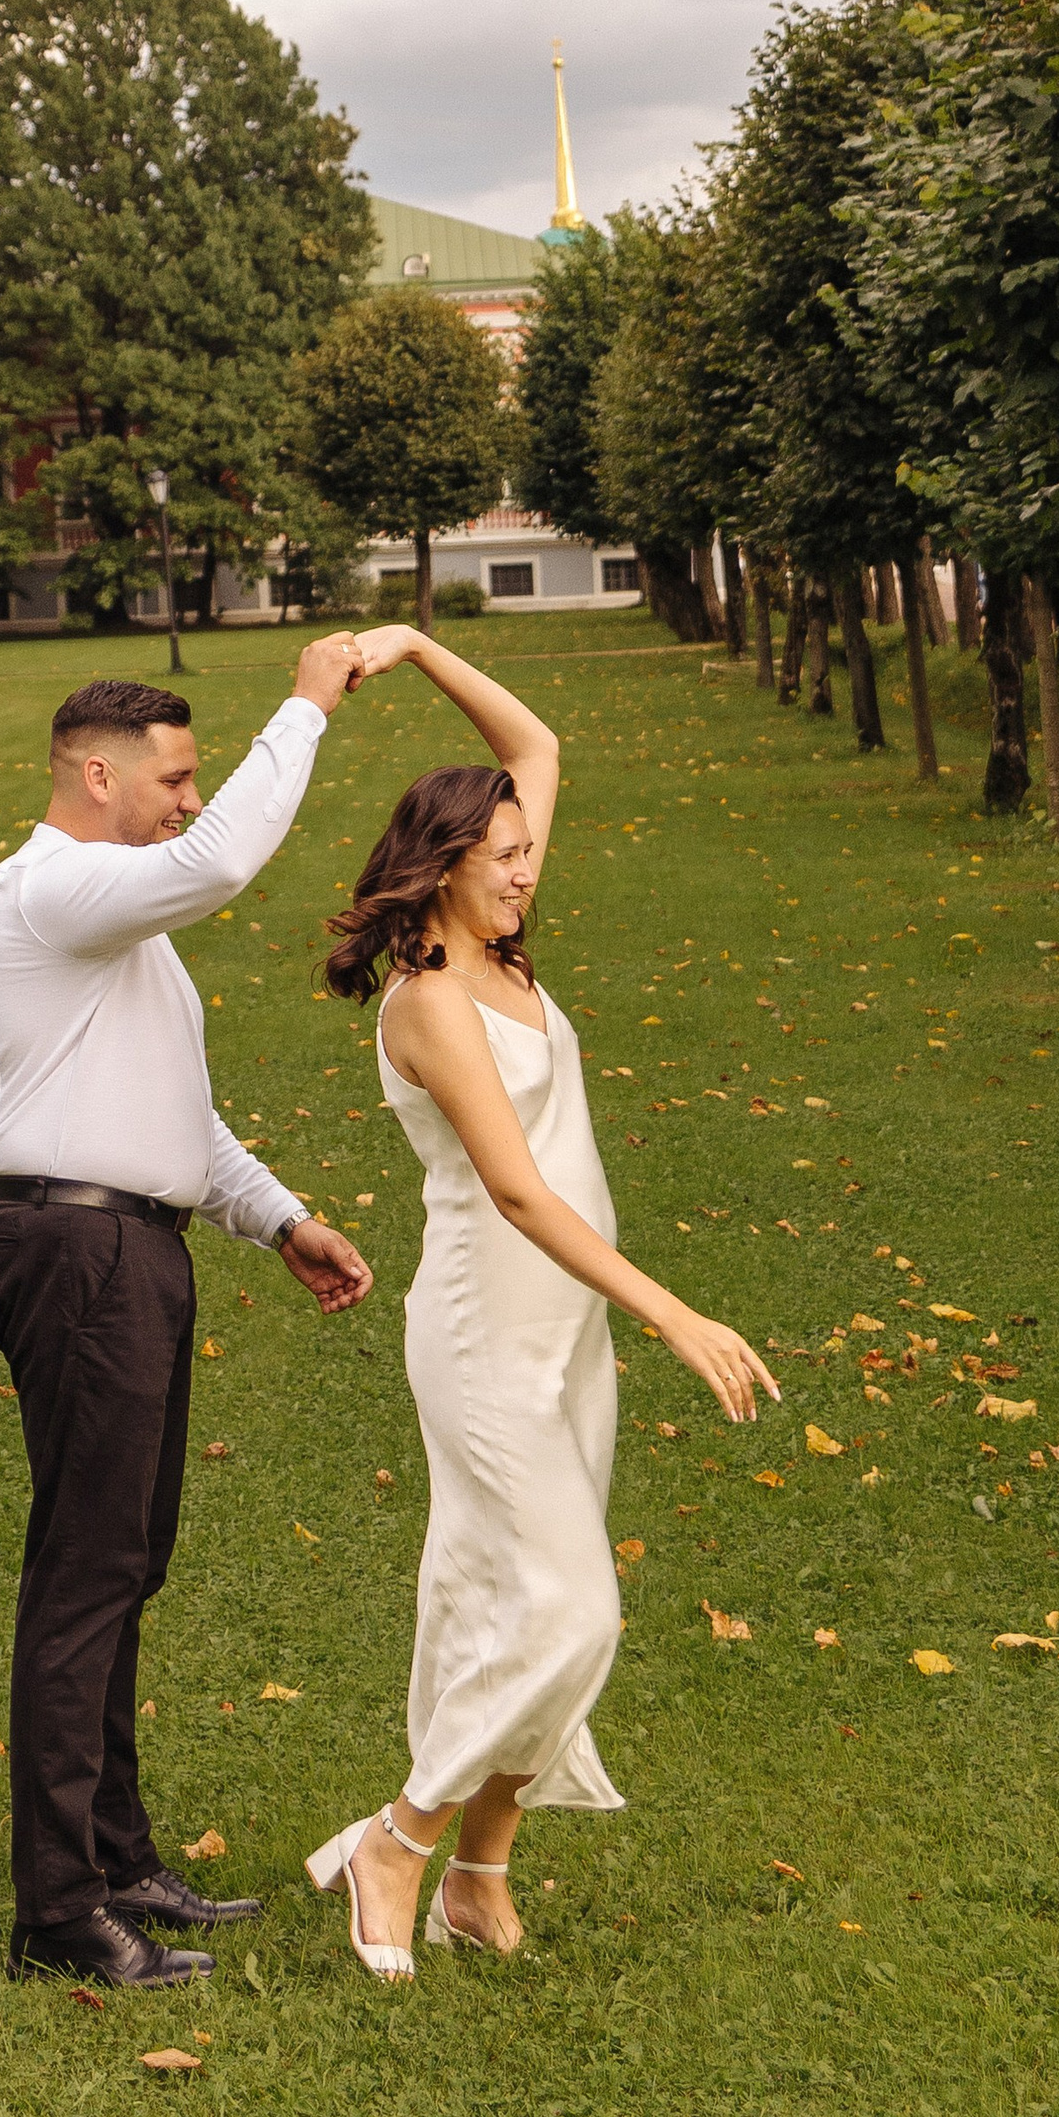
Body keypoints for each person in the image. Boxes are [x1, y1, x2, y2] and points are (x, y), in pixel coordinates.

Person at [304, 625, 780, 1980]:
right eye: (502, 855)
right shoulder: (433, 997)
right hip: (482, 1329)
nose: (527, 868)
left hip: (562, 1329)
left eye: (525, 850)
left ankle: (479, 1872)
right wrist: (673, 1312)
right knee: (574, 1607)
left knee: (501, 1601)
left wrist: (419, 645)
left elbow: (538, 747)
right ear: (441, 863)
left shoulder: (500, 933)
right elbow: (515, 1193)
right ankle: (397, 1842)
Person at [0, 653, 376, 1992]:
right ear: (98, 774)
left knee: (125, 1563)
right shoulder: (54, 886)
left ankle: (115, 1852)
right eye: (172, 776)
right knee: (87, 1572)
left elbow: (174, 1118)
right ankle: (60, 1911)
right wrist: (307, 703)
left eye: (197, 778)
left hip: (130, 1245)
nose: (186, 801)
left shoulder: (115, 935)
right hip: (77, 1248)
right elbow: (218, 864)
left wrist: (277, 1217)